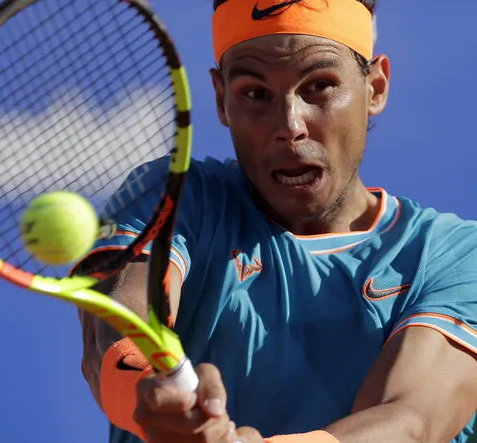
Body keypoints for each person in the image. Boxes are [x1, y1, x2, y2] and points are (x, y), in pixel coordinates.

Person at [78, 0, 477, 442]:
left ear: (375, 87)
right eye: (255, 93)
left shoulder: (456, 256)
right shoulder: (174, 196)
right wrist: (156, 399)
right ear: (221, 99)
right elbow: (113, 338)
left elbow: (411, 422)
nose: (289, 125)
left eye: (320, 86)